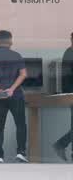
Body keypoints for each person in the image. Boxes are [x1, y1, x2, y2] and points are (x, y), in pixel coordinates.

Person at [0, 30, 28, 163]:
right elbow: (23, 74)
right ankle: (20, 152)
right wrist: (12, 89)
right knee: (20, 124)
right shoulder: (16, 56)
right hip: (16, 95)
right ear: (10, 41)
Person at [54, 31, 73, 163]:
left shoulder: (69, 52)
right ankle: (61, 144)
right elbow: (67, 75)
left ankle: (63, 146)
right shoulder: (69, 53)